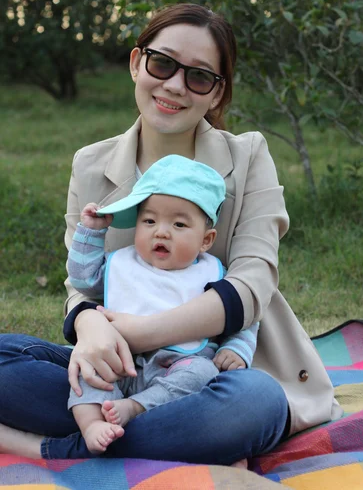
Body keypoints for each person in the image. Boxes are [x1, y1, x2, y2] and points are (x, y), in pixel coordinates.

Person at [0, 3, 342, 463]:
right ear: (136, 63)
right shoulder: (91, 165)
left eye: (199, 76)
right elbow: (82, 285)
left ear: (217, 95)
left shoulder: (248, 156)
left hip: (214, 371)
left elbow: (253, 281)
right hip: (118, 371)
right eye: (163, 64)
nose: (175, 85)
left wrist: (136, 333)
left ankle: (62, 446)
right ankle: (172, 438)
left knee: (252, 403)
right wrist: (89, 326)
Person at [67, 155, 259, 453]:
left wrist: (235, 349)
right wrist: (92, 231)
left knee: (203, 374)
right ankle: (92, 423)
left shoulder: (212, 275)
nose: (161, 231)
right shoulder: (122, 264)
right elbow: (83, 279)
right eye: (149, 220)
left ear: (206, 240)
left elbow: (244, 317)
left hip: (175, 367)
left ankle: (135, 407)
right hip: (117, 361)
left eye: (179, 224)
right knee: (84, 365)